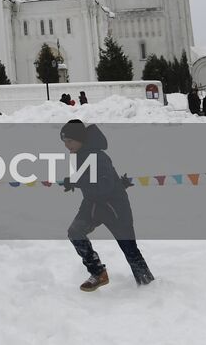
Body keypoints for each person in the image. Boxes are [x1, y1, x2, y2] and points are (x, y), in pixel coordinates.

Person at [59, 120, 153, 291]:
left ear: (80, 139)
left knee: (129, 249)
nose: (67, 145)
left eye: (70, 141)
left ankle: (148, 285)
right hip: (92, 205)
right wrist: (74, 182)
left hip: (114, 208)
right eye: (64, 142)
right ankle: (98, 272)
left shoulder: (98, 156)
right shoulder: (80, 154)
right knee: (75, 232)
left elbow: (103, 185)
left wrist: (76, 181)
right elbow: (92, 179)